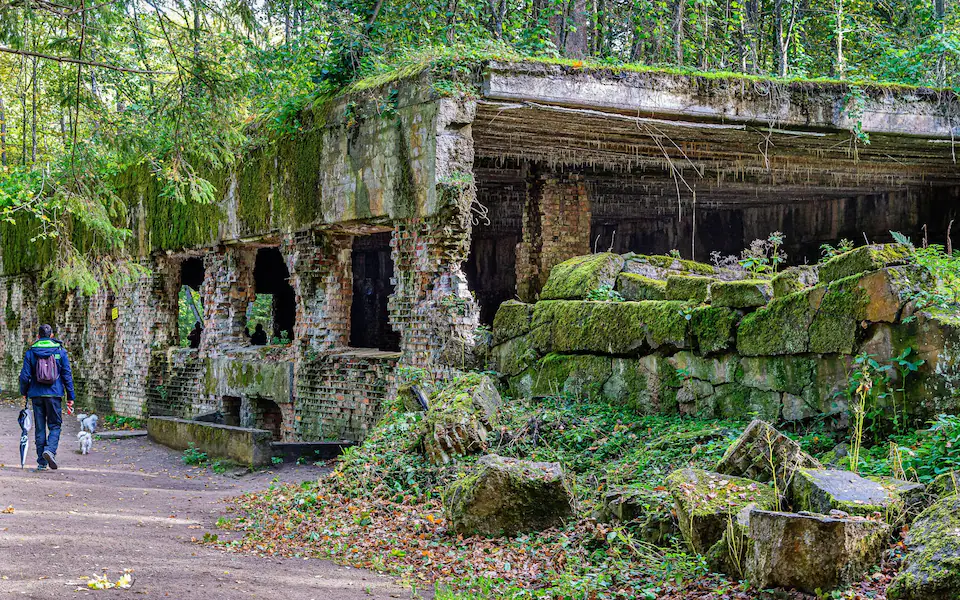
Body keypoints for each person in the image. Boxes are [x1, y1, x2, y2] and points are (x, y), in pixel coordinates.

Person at [19, 324, 75, 471]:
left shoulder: (31, 352)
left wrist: (24, 392)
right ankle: (50, 450)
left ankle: (41, 463)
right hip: (54, 394)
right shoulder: (60, 351)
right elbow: (67, 375)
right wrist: (70, 396)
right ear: (51, 336)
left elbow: (25, 376)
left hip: (36, 394)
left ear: (38, 336)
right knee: (55, 425)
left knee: (39, 428)